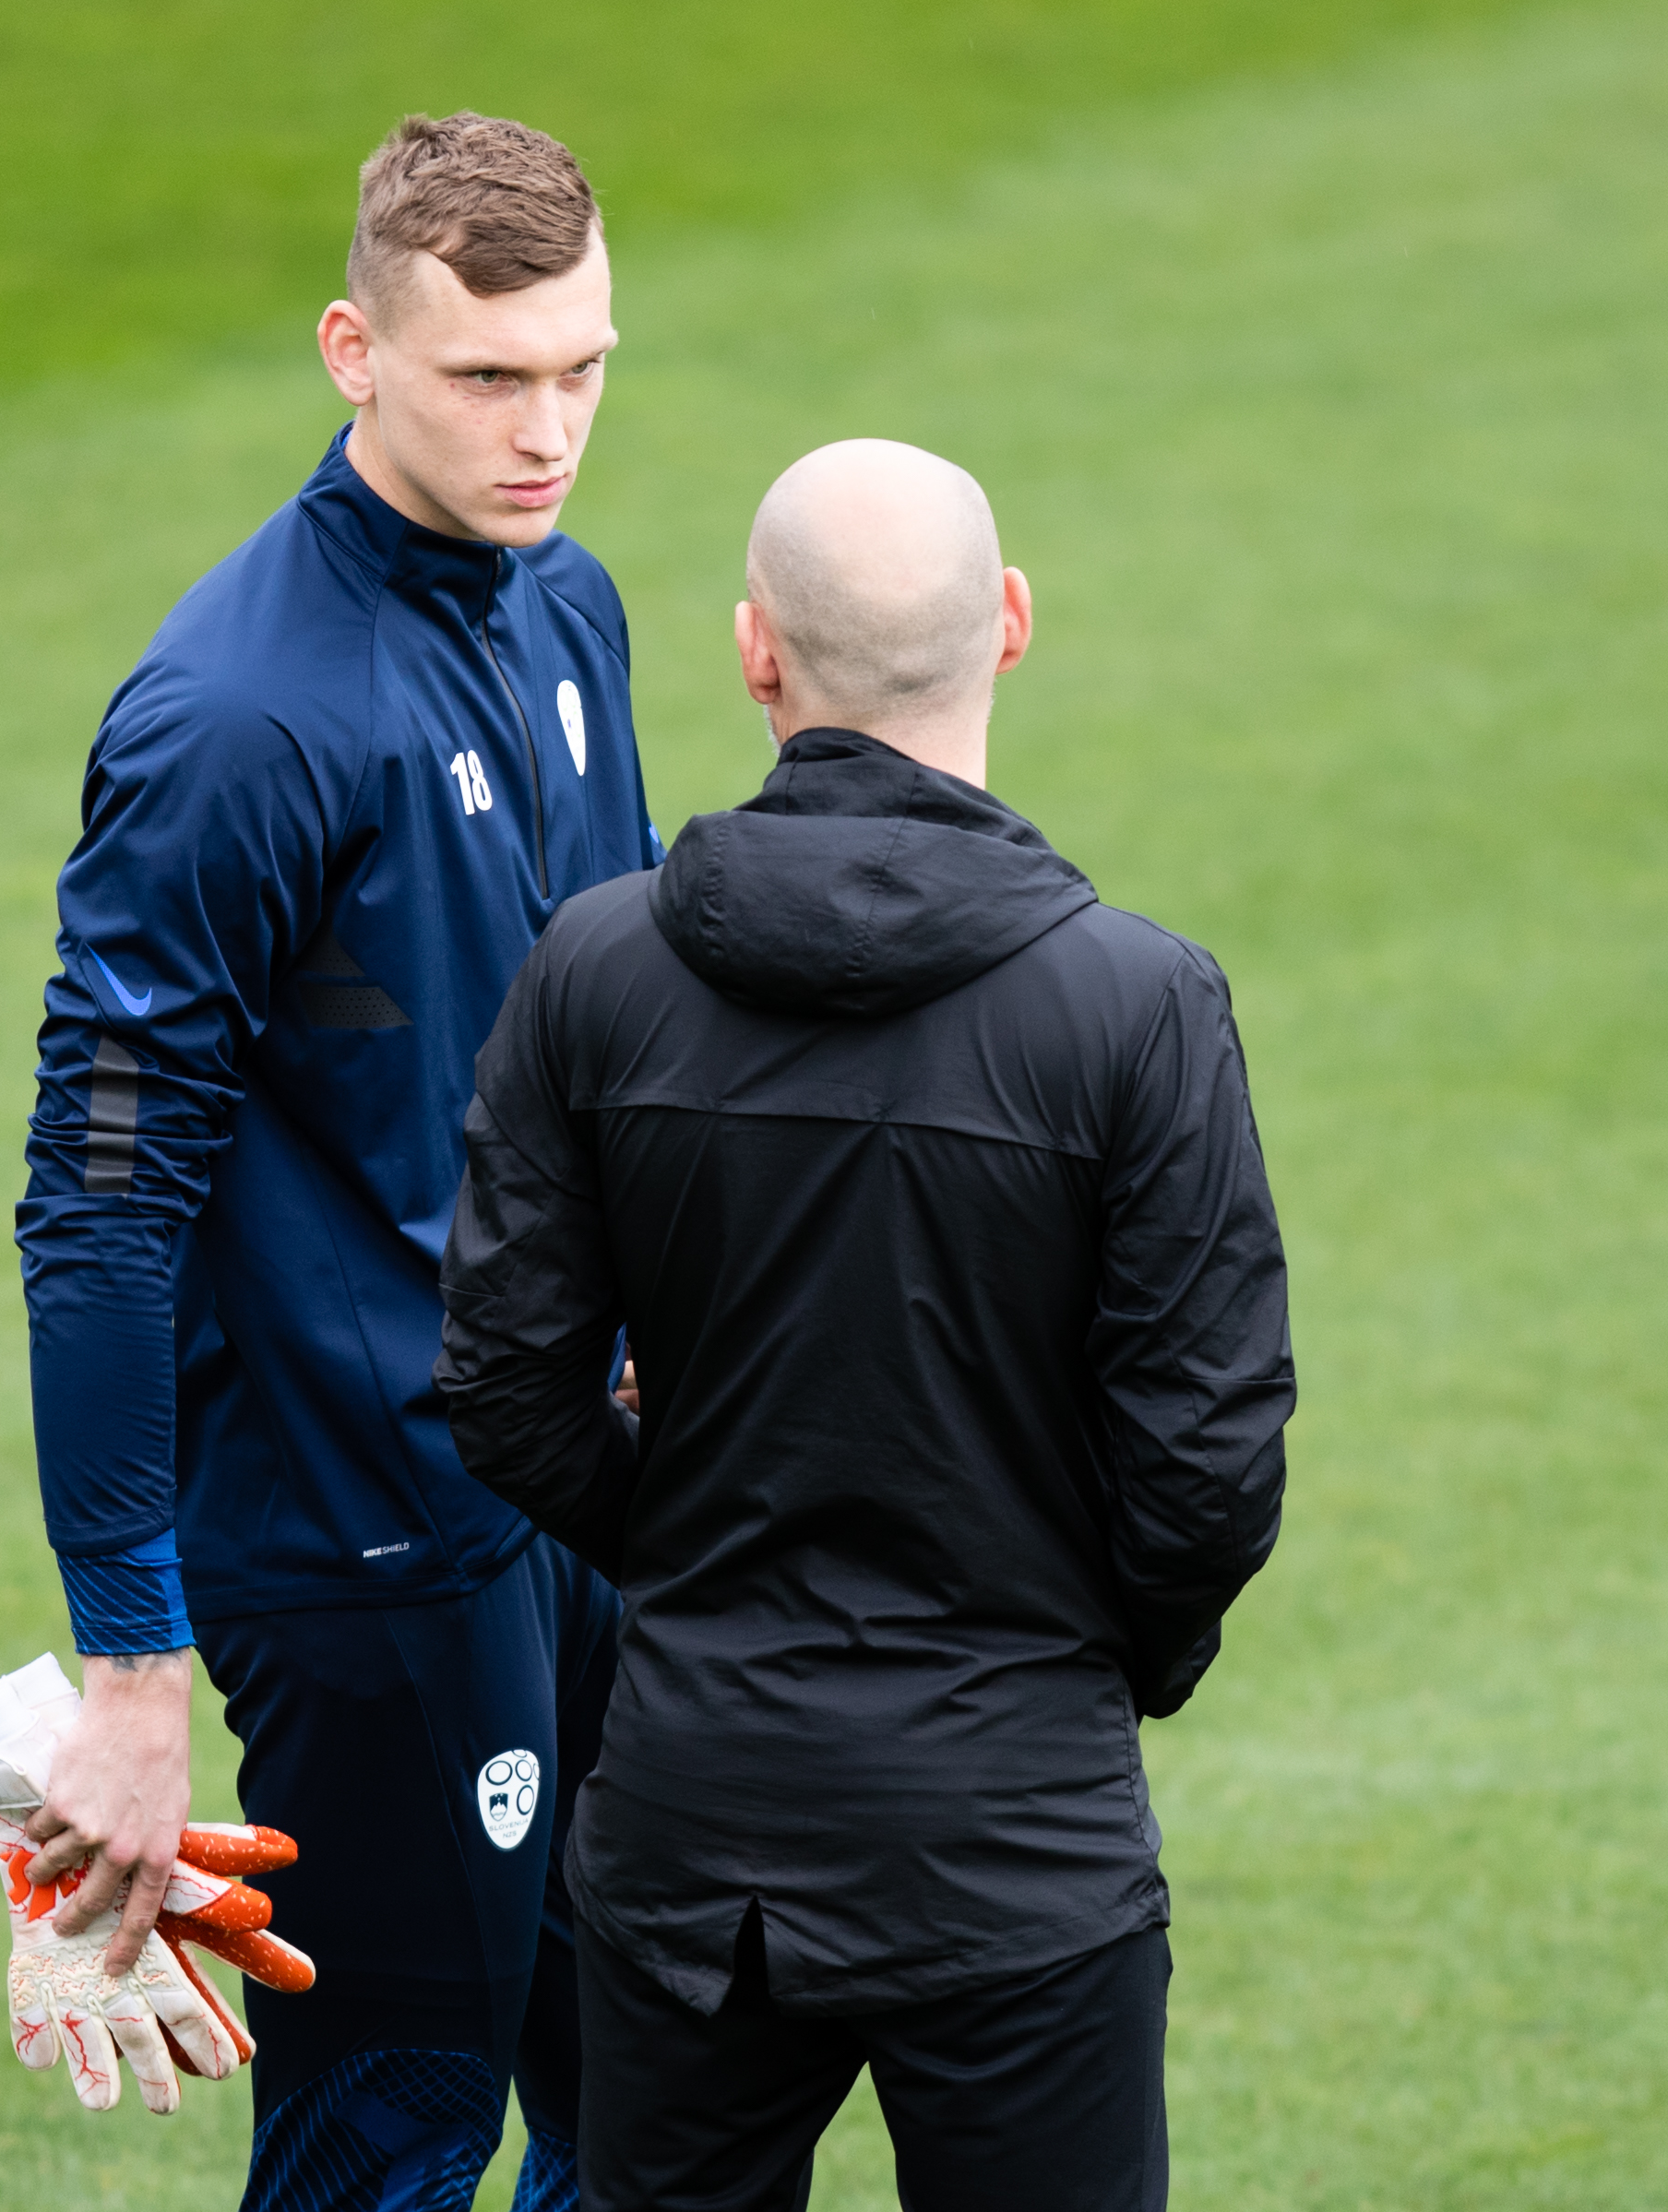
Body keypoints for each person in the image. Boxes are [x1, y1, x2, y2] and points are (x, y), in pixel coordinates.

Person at [437, 439, 1296, 2210]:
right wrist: (1093, 1660)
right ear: (1011, 623)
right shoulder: (1138, 1005)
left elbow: (508, 1389)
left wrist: (684, 1547)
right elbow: (1207, 1467)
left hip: (692, 1824)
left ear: (755, 650)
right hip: (1017, 1838)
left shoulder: (594, 971)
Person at [8, 113, 655, 2211]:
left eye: (581, 368)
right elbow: (100, 1195)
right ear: (351, 352)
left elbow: (607, 1048)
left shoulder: (570, 613)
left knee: (665, 2119)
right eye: (488, 377)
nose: (545, 430)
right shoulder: (236, 719)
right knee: (389, 2151)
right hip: (368, 1550)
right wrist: (129, 1668)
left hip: (571, 1501)